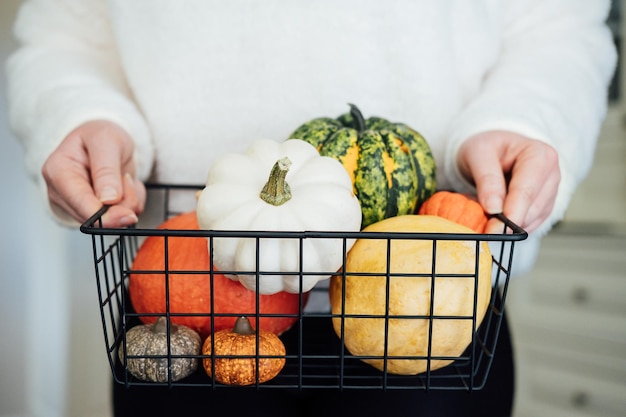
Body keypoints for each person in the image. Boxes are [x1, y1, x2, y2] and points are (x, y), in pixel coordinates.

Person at [6, 0, 616, 416]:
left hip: (431, 303)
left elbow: (556, 28)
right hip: (193, 310)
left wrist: (524, 118)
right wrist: (78, 112)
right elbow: (66, 33)